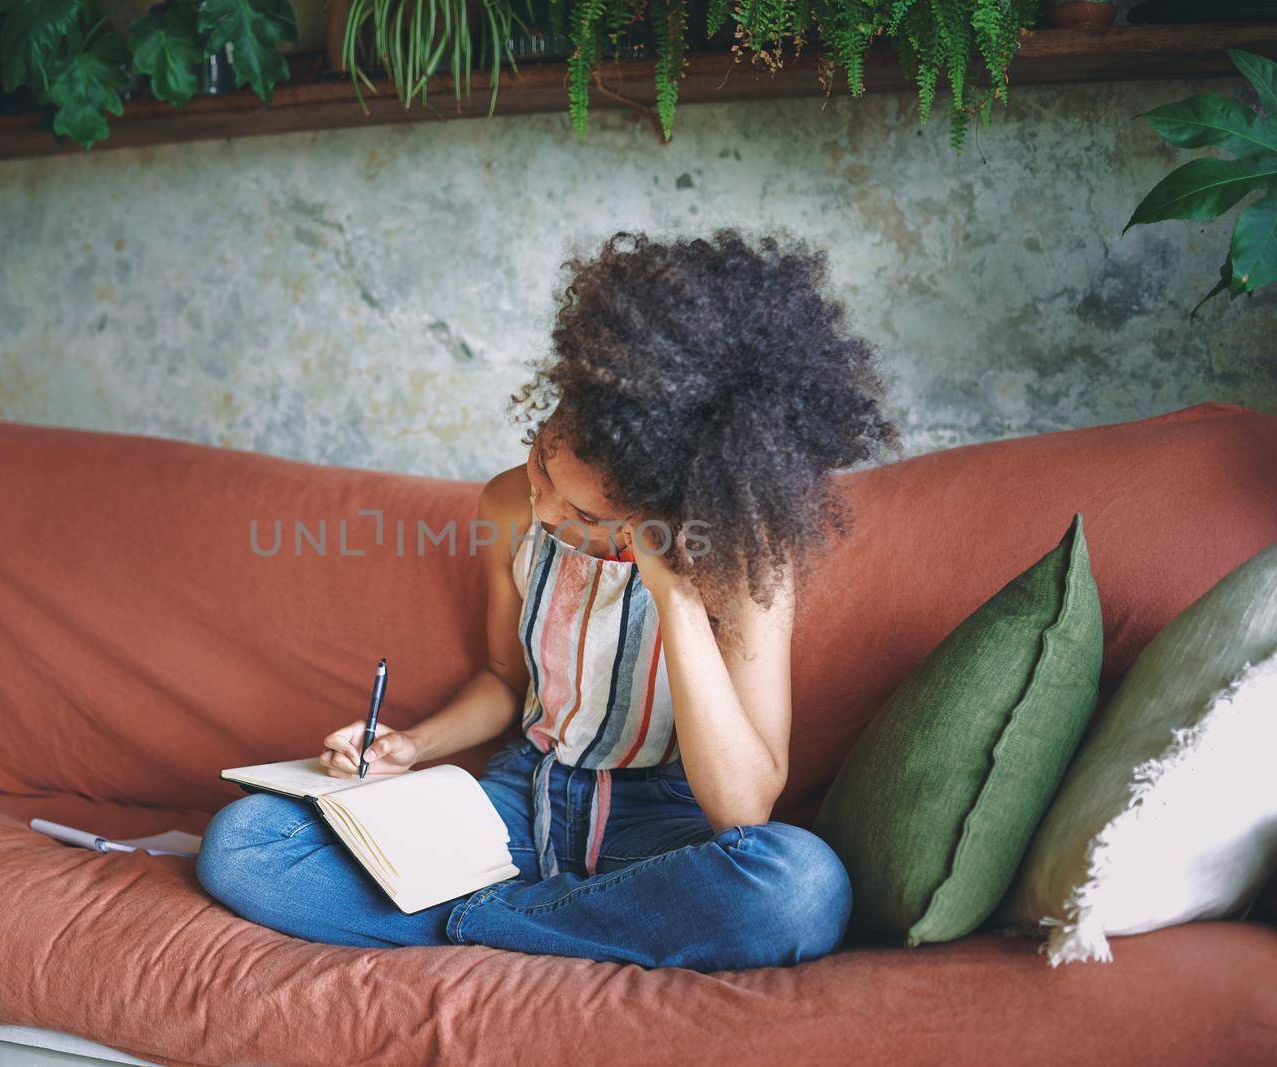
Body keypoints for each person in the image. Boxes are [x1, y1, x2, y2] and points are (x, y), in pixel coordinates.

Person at [198, 229, 900, 972]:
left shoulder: (747, 558)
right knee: (242, 844)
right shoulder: (509, 505)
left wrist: (678, 598)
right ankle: (552, 923)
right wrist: (408, 747)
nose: (545, 509)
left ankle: (470, 916)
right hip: (515, 805)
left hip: (658, 830)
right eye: (541, 463)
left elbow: (743, 807)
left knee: (801, 890)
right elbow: (505, 683)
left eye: (586, 516)